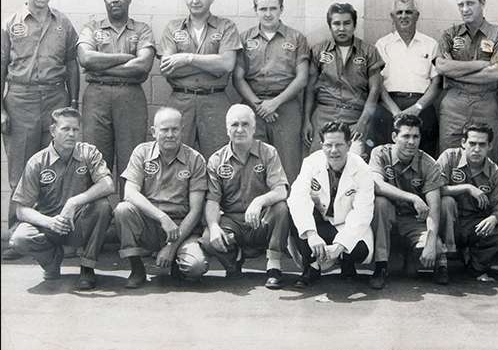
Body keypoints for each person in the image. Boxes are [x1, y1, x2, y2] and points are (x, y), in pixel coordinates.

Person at [1, 0, 79, 248]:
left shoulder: (63, 23)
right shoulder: (11, 23)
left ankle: (58, 234)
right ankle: (15, 236)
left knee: (57, 166)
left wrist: (72, 103)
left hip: (55, 99)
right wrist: (1, 109)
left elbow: (72, 63)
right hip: (21, 99)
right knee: (20, 171)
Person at [9, 107, 114, 290]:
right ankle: (51, 261)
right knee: (19, 239)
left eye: (75, 129)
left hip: (78, 223)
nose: (71, 134)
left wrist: (74, 201)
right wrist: (49, 222)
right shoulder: (38, 162)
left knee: (103, 207)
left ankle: (87, 267)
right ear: (52, 131)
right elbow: (21, 209)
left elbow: (108, 185)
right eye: (65, 129)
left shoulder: (88, 153)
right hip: (48, 224)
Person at [113, 107, 208, 288]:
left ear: (182, 130)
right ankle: (137, 267)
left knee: (196, 267)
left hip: (181, 227)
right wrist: (162, 217)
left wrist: (171, 247)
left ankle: (175, 261)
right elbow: (130, 192)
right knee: (123, 210)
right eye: (164, 130)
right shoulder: (142, 152)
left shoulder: (195, 159)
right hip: (150, 223)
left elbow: (196, 211)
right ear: (154, 132)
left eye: (175, 129)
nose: (170, 134)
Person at [199, 104, 290, 289]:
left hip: (261, 220)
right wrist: (214, 226)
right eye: (234, 125)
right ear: (227, 129)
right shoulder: (217, 160)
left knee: (281, 208)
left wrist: (259, 201)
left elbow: (281, 190)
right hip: (233, 222)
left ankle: (274, 266)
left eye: (245, 124)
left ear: (254, 128)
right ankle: (233, 262)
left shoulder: (268, 152)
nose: (240, 130)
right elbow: (212, 201)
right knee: (209, 237)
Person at [77, 0, 155, 189]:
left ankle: (126, 213)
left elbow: (143, 66)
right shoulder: (91, 27)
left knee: (132, 160)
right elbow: (86, 59)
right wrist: (125, 57)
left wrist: (101, 65)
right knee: (94, 158)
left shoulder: (142, 29)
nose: (114, 0)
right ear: (104, 0)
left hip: (130, 97)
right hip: (96, 97)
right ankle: (95, 216)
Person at [158, 0, 242, 159]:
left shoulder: (225, 26)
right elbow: (167, 68)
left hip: (215, 100)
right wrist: (212, 63)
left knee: (219, 159)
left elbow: (227, 64)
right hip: (181, 99)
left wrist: (186, 58)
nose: (195, 0)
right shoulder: (173, 28)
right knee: (175, 156)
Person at [233, 0, 309, 182]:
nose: (268, 14)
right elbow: (238, 77)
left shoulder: (296, 38)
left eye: (273, 8)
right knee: (253, 163)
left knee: (288, 165)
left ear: (281, 9)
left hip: (285, 106)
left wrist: (274, 103)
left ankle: (288, 211)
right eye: (263, 8)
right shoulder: (245, 38)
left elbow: (302, 78)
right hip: (253, 105)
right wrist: (259, 105)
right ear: (255, 9)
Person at [287, 121, 375, 287]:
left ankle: (346, 263)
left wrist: (340, 246)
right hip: (320, 222)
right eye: (328, 145)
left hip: (346, 224)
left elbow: (363, 212)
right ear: (321, 145)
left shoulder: (362, 169)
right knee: (294, 211)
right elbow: (297, 198)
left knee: (360, 250)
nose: (334, 151)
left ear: (349, 145)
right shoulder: (311, 163)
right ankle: (311, 267)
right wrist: (311, 234)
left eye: (339, 145)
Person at [369, 114, 448, 289]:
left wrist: (430, 242)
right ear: (394, 137)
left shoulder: (429, 164)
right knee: (380, 203)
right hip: (387, 217)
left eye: (416, 137)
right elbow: (378, 186)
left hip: (413, 220)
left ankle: (413, 255)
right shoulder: (380, 153)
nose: (411, 142)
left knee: (430, 251)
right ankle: (381, 266)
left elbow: (434, 208)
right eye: (406, 136)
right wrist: (412, 197)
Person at [435, 0, 498, 161]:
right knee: (449, 158)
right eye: (461, 4)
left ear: (482, 3)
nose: (465, 9)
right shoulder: (449, 34)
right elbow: (442, 67)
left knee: (487, 158)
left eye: (470, 3)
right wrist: (481, 64)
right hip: (454, 105)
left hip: (485, 103)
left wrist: (456, 73)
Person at [304, 3, 383, 157]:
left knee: (354, 164)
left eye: (347, 23)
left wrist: (362, 123)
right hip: (324, 116)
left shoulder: (369, 51)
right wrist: (307, 120)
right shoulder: (319, 50)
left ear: (354, 25)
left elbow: (375, 90)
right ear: (330, 25)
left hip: (355, 118)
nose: (341, 28)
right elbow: (310, 88)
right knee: (318, 165)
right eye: (336, 23)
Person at [437, 123, 498, 282]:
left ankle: (476, 267)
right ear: (463, 143)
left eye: (482, 144)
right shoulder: (449, 157)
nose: (477, 149)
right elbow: (435, 190)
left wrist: (494, 218)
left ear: (489, 146)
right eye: (472, 143)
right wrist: (467, 187)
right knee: (446, 202)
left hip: (473, 224)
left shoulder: (494, 172)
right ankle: (443, 261)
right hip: (449, 221)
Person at [374, 0, 440, 156]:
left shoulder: (431, 44)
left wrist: (417, 108)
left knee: (424, 158)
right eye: (399, 12)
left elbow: (437, 83)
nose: (404, 16)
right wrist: (395, 111)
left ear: (416, 15)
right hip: (389, 108)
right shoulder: (382, 44)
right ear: (392, 16)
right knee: (388, 158)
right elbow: (377, 84)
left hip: (422, 107)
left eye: (409, 12)